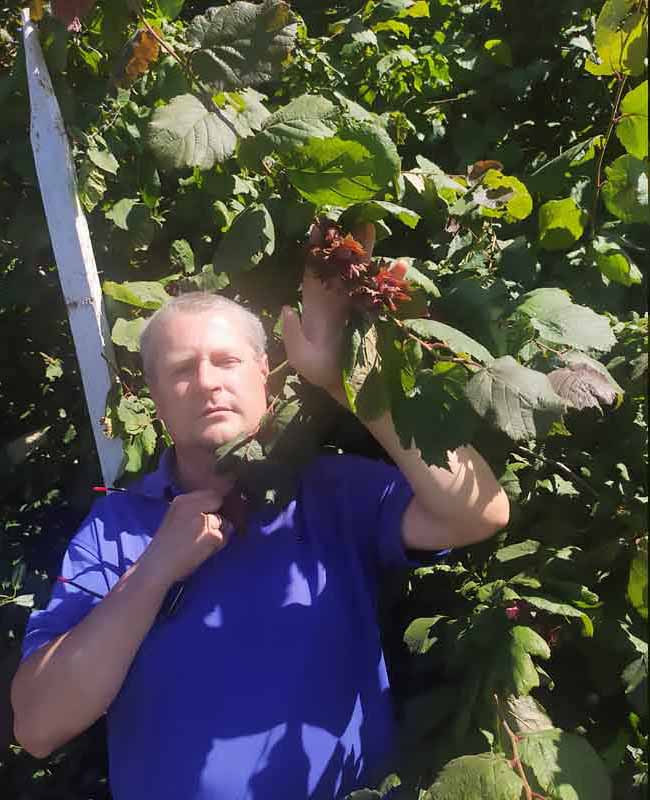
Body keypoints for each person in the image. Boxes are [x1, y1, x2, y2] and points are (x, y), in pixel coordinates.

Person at [11, 225, 509, 799]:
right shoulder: (115, 525)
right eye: (181, 370)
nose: (206, 382)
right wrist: (153, 571)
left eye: (226, 361)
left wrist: (347, 382)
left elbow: (478, 513)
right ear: (155, 397)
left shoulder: (332, 492)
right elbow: (39, 726)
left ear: (264, 375)